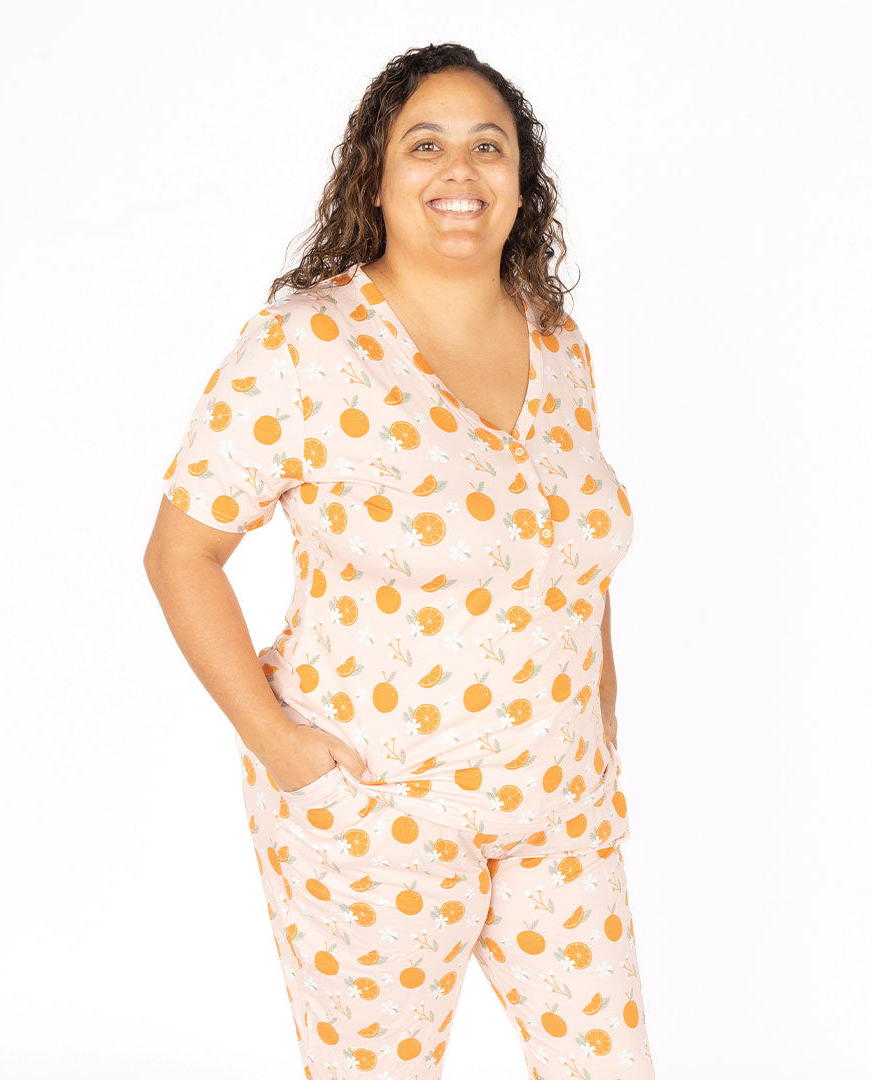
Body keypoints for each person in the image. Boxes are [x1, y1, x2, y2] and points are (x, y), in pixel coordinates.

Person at [144, 41, 655, 1080]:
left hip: (560, 807)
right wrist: (277, 742)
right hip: (380, 812)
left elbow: (570, 550)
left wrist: (601, 713)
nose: (458, 173)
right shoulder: (303, 348)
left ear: (522, 184)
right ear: (375, 178)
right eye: (425, 146)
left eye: (487, 147)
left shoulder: (557, 340)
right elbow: (181, 553)